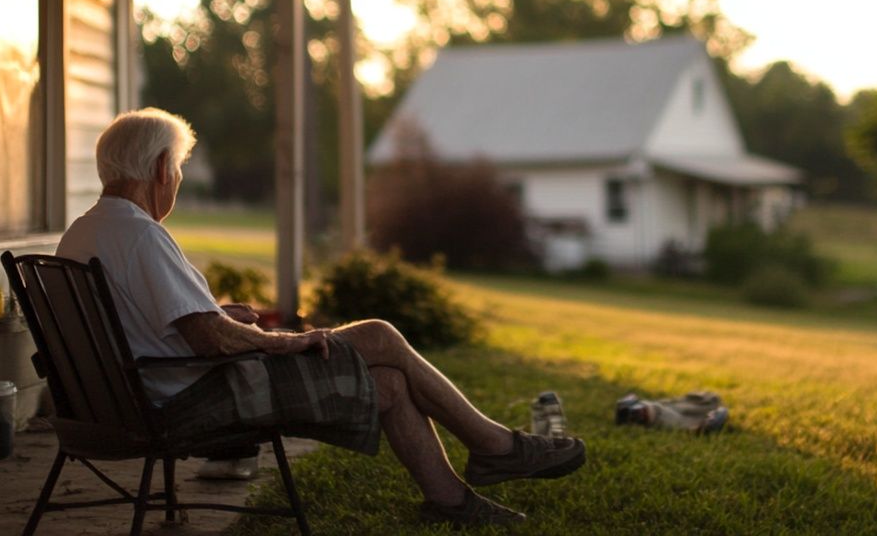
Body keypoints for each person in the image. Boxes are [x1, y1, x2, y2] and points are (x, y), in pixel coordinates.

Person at [56, 108, 584, 527]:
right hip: (188, 400)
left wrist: (224, 317)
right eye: (178, 170)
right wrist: (282, 341)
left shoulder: (84, 232)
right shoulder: (143, 235)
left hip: (128, 398)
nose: (176, 182)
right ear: (159, 169)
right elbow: (209, 339)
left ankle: (451, 498)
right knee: (377, 334)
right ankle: (495, 446)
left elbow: (169, 320)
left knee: (390, 383)